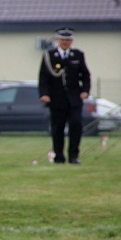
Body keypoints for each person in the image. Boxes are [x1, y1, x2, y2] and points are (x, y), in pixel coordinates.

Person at [38, 27, 91, 164]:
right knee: (58, 128)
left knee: (76, 125)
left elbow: (85, 75)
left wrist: (85, 90)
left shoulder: (78, 55)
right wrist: (44, 94)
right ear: (57, 40)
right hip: (56, 99)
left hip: (74, 99)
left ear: (72, 41)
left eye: (68, 40)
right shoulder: (49, 56)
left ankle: (74, 156)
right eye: (62, 39)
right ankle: (59, 156)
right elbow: (43, 77)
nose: (65, 42)